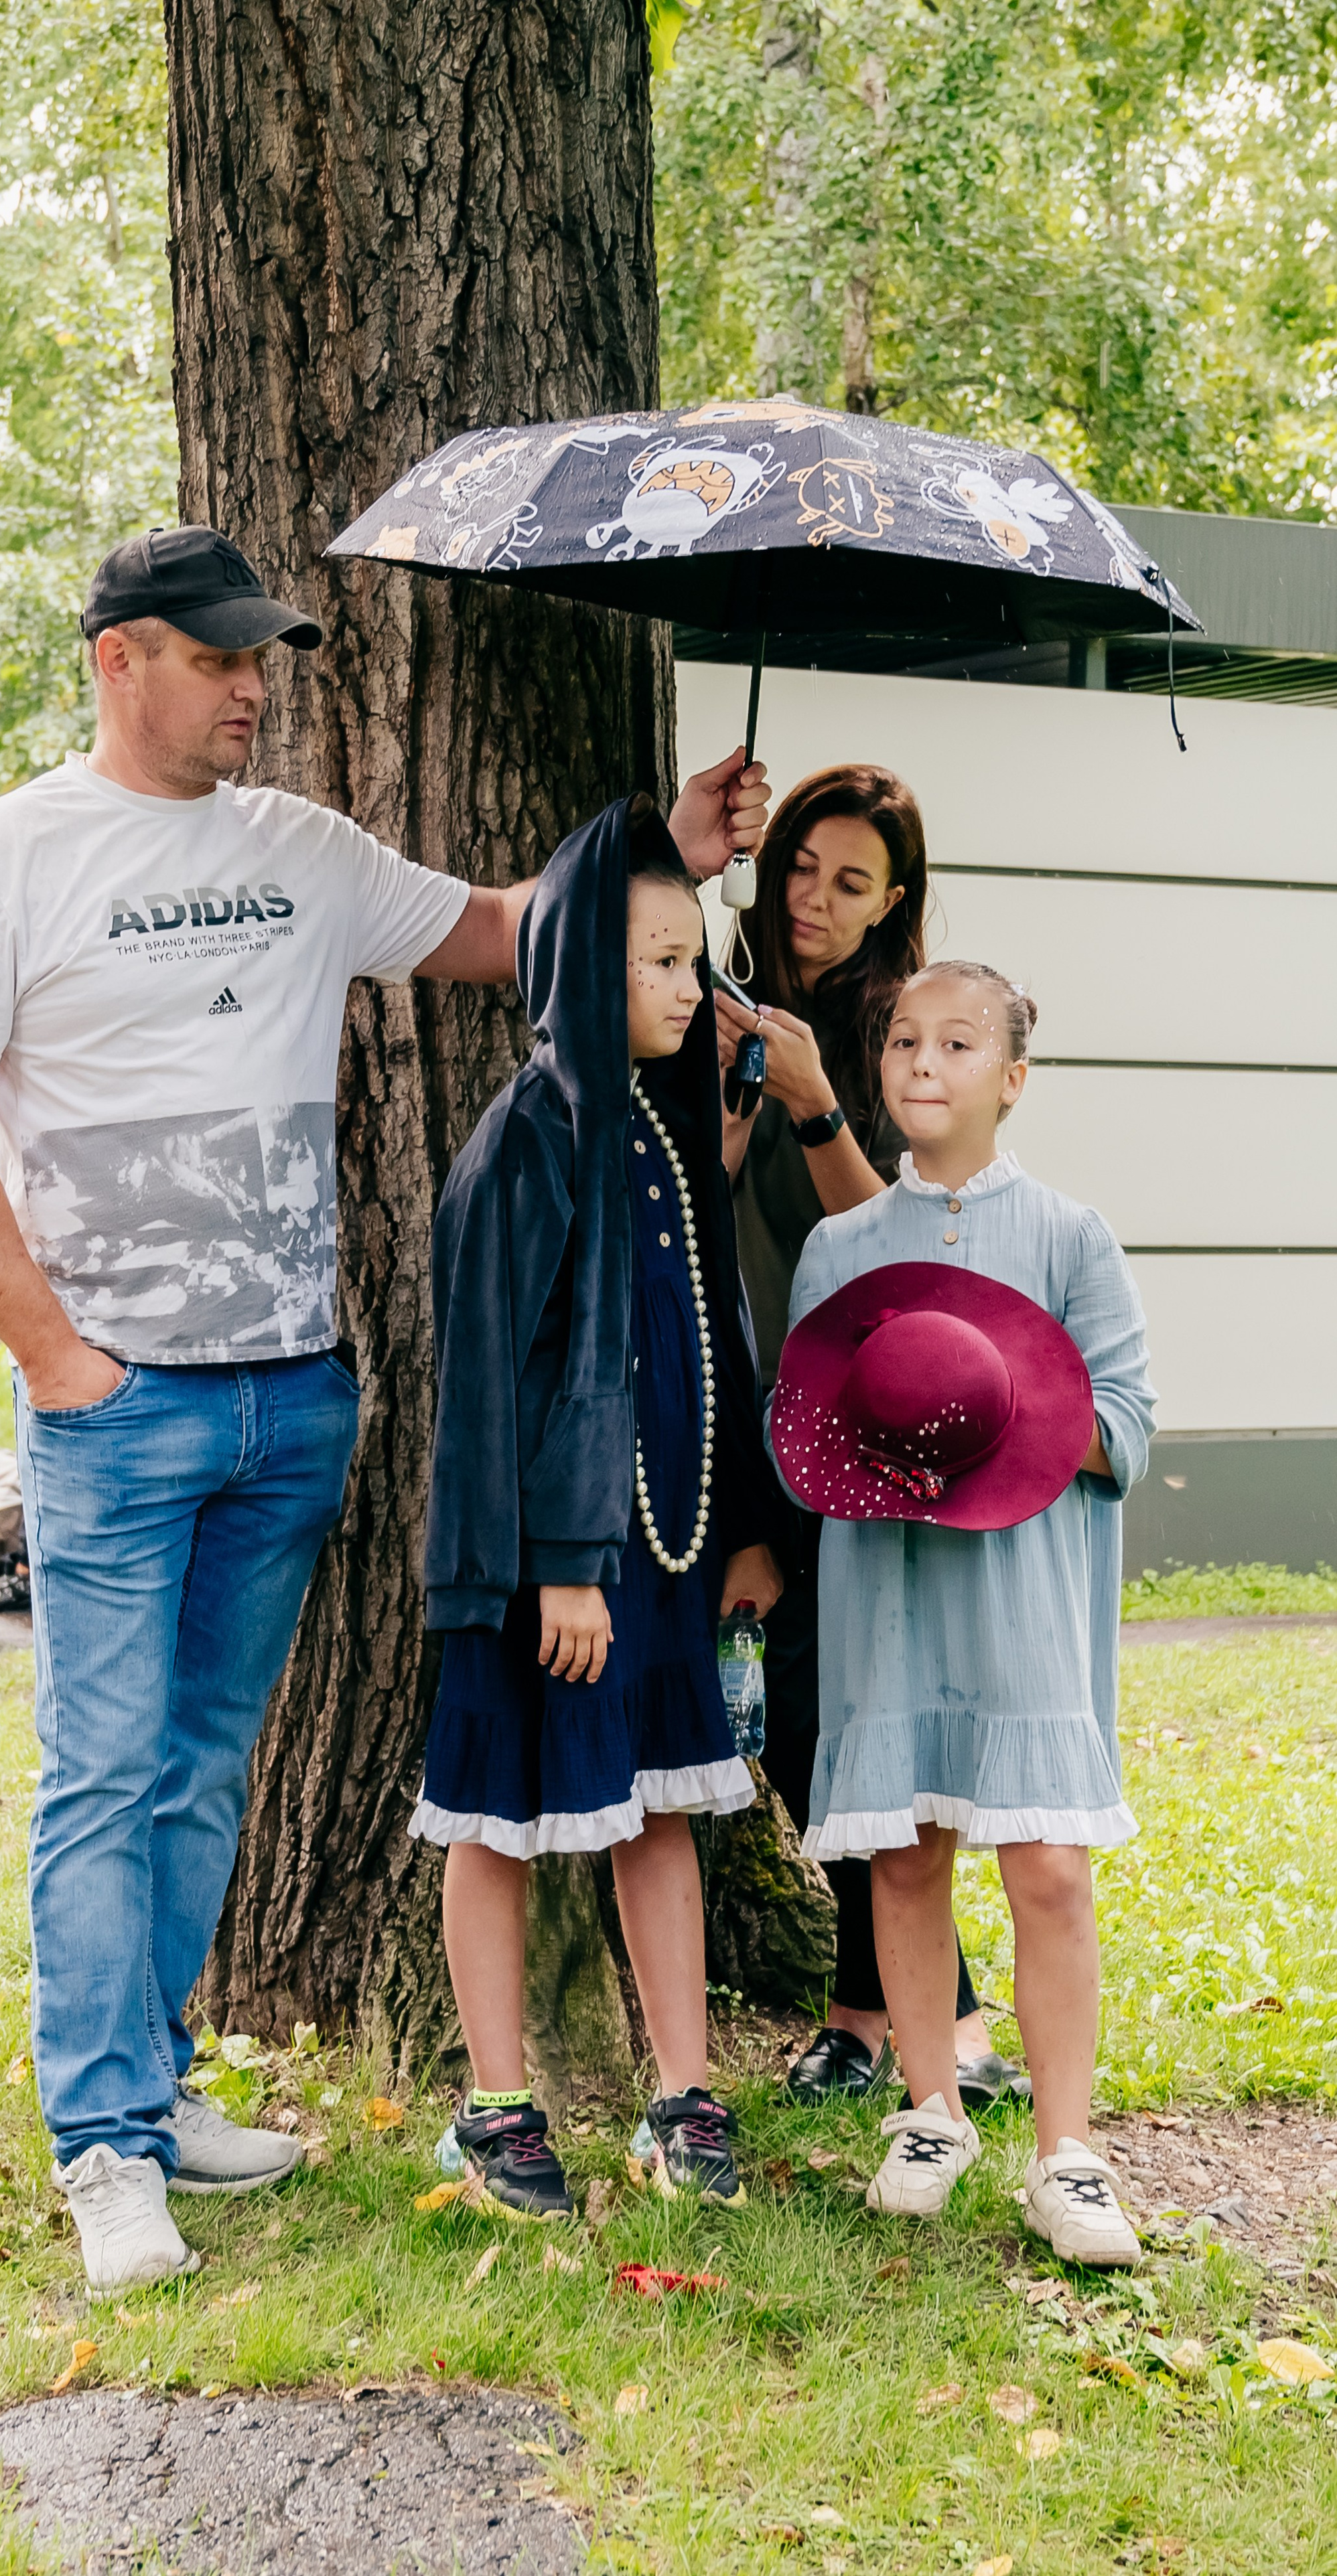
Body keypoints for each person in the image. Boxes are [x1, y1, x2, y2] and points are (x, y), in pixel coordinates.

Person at [0, 522, 767, 2292]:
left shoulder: (301, 848)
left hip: (291, 1404)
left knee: (207, 1769)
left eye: (260, 653)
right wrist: (58, 1361)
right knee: (103, 1773)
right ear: (118, 658)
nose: (250, 685)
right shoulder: (6, 860)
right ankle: (104, 2147)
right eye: (215, 657)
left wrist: (666, 845)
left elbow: (517, 932)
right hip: (116, 1415)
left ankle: (162, 2084)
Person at [411, 794, 794, 2219]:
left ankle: (680, 2093)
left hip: (667, 1547)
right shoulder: (525, 1139)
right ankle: (495, 2105)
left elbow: (707, 1334)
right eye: (656, 963)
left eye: (694, 962)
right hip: (542, 1568)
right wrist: (557, 1565)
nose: (689, 991)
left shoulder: (662, 1127)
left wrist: (742, 1524)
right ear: (575, 962)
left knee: (658, 1817)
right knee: (497, 1818)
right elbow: (495, 1387)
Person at [770, 960, 1155, 2264]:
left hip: (1019, 1604)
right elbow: (804, 1425)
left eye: (955, 1042)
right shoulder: (839, 1247)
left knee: (1044, 1867)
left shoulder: (1065, 1235)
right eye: (900, 1043)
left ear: (1011, 1077)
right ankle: (928, 2107)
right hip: (889, 1596)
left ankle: (1065, 2150)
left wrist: (1010, 1414)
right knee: (905, 1852)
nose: (921, 1064)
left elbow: (1124, 1425)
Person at [711, 765, 1013, 2110]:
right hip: (734, 1415)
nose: (813, 899)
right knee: (783, 1720)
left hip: (856, 1422)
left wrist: (812, 1097)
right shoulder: (714, 996)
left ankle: (902, 2012)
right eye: (797, 868)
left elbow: (894, 1237)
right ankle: (900, 2005)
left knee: (844, 1720)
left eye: (849, 881)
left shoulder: (895, 1030)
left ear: (892, 901)